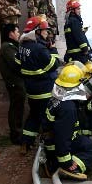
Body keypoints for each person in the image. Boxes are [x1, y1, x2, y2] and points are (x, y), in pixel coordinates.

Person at [43, 64, 92, 180]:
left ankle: (55, 163)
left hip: (51, 142)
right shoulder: (68, 109)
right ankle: (70, 169)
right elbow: (62, 138)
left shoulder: (58, 96)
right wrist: (67, 162)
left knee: (86, 142)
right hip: (60, 144)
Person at [15, 16, 61, 154]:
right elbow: (54, 65)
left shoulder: (22, 47)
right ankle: (49, 147)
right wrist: (53, 50)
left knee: (33, 115)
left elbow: (18, 63)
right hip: (44, 90)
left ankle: (25, 143)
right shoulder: (40, 49)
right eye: (44, 31)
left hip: (31, 90)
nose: (47, 33)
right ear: (36, 32)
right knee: (46, 117)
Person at [0, 24, 26, 145]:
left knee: (19, 107)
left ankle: (18, 133)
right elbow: (16, 63)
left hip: (18, 82)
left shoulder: (12, 46)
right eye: (17, 31)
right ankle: (16, 135)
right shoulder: (7, 47)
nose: (18, 34)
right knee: (16, 108)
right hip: (15, 83)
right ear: (10, 33)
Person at [63, 0, 92, 64]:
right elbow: (79, 36)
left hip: (73, 54)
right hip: (79, 54)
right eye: (78, 9)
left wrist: (82, 31)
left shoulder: (68, 21)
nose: (79, 11)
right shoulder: (75, 21)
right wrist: (85, 49)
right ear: (72, 10)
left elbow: (72, 36)